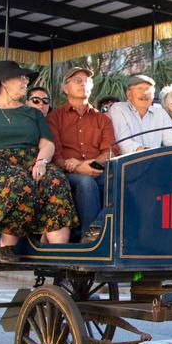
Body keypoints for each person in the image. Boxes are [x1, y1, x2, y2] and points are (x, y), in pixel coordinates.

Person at [0, 60, 77, 262]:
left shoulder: (32, 113)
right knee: (20, 183)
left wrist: (41, 161)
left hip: (31, 160)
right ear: (4, 82)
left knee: (56, 180)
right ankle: (6, 245)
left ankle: (58, 251)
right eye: (21, 78)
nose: (25, 82)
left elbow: (47, 143)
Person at [47, 66, 115, 239]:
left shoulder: (103, 118)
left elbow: (110, 150)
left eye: (87, 81)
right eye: (77, 80)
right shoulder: (54, 117)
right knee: (86, 183)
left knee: (124, 180)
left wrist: (90, 165)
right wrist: (76, 168)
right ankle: (89, 240)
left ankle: (98, 228)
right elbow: (55, 155)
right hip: (66, 173)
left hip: (98, 168)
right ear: (65, 88)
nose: (83, 84)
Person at [107, 75, 172, 154]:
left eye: (148, 89)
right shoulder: (119, 109)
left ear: (153, 95)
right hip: (129, 162)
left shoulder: (160, 113)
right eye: (139, 89)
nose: (145, 93)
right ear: (129, 94)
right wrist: (146, 152)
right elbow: (124, 143)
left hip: (155, 161)